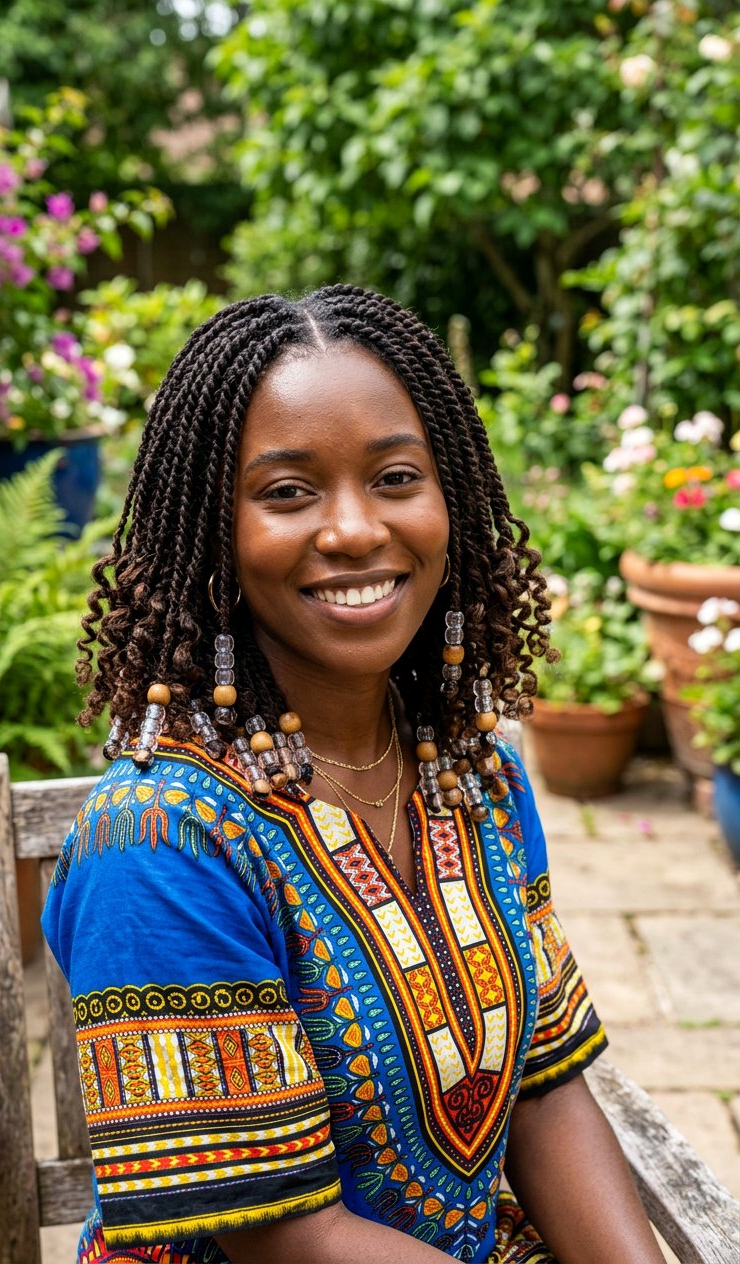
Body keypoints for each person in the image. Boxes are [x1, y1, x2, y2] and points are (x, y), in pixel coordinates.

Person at [42, 285, 664, 1264]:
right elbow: (284, 1237)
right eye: (287, 491)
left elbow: (544, 1086)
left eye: (394, 477)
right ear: (212, 536)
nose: (353, 529)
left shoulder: (472, 771)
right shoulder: (161, 839)